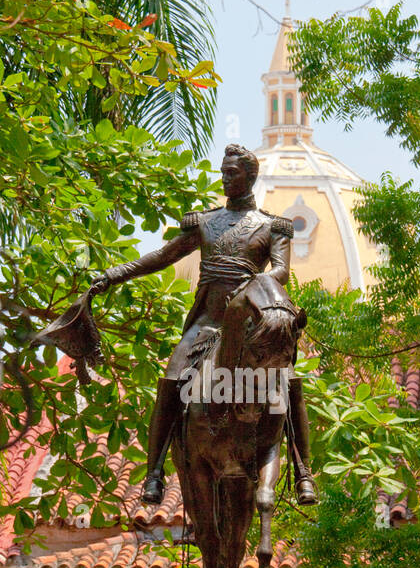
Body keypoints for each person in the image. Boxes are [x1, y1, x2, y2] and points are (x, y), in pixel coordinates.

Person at [89, 143, 316, 506]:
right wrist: (115, 275)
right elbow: (163, 257)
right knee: (172, 378)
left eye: (232, 173)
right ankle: (154, 472)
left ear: (249, 177)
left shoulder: (273, 227)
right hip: (207, 323)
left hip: (250, 323)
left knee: (288, 381)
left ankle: (304, 473)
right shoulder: (206, 223)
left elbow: (281, 270)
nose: (225, 179)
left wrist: (253, 288)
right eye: (223, 172)